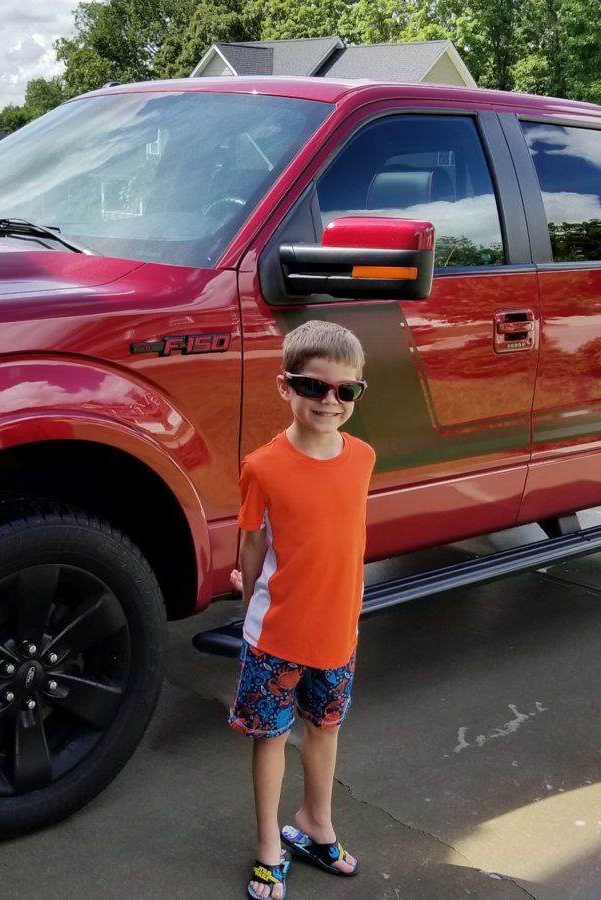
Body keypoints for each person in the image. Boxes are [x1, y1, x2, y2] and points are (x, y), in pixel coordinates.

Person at [230, 320, 375, 900]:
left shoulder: (363, 457)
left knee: (326, 727)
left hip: (338, 630)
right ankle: (270, 844)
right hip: (277, 635)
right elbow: (251, 544)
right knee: (270, 736)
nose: (330, 401)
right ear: (285, 386)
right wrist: (250, 600)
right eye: (314, 386)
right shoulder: (262, 466)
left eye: (346, 390)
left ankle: (317, 822)